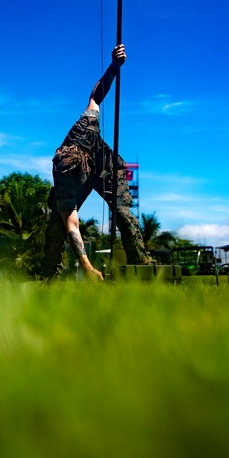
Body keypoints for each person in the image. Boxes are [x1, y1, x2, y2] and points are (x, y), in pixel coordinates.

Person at [41, 45, 149, 281]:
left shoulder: (86, 127)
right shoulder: (63, 173)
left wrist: (114, 66)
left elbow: (95, 96)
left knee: (122, 214)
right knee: (56, 227)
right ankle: (50, 279)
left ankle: (142, 268)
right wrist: (88, 268)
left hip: (109, 169)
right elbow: (73, 227)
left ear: (86, 161)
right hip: (80, 173)